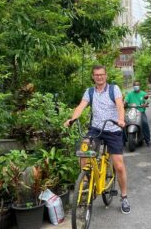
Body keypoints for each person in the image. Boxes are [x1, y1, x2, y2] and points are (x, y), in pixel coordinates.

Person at [64, 65, 131, 214]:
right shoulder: (90, 92)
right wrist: (72, 119)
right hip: (96, 129)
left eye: (101, 74)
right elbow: (81, 106)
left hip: (113, 129)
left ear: (106, 76)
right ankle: (86, 181)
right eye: (96, 75)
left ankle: (124, 196)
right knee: (84, 149)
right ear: (93, 77)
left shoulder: (114, 89)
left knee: (119, 166)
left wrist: (120, 119)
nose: (99, 77)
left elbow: (120, 105)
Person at [124, 80, 151, 148]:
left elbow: (147, 100)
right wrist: (124, 103)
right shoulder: (130, 94)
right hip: (130, 112)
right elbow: (126, 100)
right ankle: (123, 141)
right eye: (135, 85)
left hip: (140, 112)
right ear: (133, 86)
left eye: (137, 85)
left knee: (145, 123)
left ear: (139, 86)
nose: (136, 86)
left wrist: (145, 104)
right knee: (123, 124)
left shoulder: (143, 94)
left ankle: (148, 141)